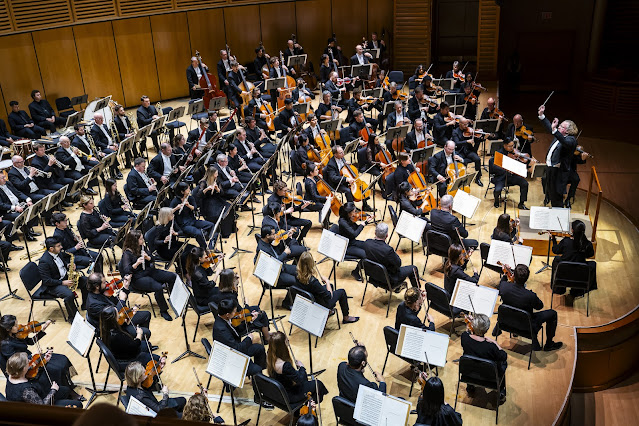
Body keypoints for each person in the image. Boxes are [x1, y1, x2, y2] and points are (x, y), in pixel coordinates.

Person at [0, 315, 80, 400]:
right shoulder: (6, 345)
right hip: (26, 366)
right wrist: (31, 356)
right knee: (55, 369)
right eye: (15, 325)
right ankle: (65, 392)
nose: (18, 326)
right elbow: (15, 362)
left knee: (62, 359)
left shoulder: (17, 333)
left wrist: (42, 330)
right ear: (8, 329)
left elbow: (31, 341)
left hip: (32, 358)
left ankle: (67, 386)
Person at [496, 264, 563, 351]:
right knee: (552, 313)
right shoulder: (530, 296)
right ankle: (549, 344)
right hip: (527, 327)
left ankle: (515, 333)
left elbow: (502, 283)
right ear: (527, 279)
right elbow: (539, 306)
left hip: (506, 323)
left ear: (513, 275)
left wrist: (505, 273)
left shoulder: (504, 287)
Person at [120, 229, 176, 322]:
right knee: (158, 287)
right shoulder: (127, 253)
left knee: (172, 276)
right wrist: (136, 264)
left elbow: (152, 258)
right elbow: (126, 270)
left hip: (148, 271)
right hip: (137, 278)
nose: (143, 241)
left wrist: (147, 257)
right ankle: (163, 311)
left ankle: (173, 299)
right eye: (141, 239)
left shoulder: (141, 246)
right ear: (134, 241)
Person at [267, 330, 329, 404]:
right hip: (290, 395)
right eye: (286, 341)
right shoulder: (285, 366)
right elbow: (300, 380)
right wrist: (302, 367)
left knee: (307, 382)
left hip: (281, 393)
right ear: (282, 346)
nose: (288, 341)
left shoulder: (269, 357)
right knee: (317, 384)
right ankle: (308, 408)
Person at [296, 251, 359, 323]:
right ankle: (346, 317)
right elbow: (329, 296)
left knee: (331, 286)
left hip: (308, 300)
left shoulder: (297, 274)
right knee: (342, 292)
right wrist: (327, 281)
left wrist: (328, 285)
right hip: (318, 303)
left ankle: (329, 311)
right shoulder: (313, 282)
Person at [212, 269, 271, 342]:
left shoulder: (218, 291)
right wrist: (247, 304)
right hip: (237, 325)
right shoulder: (231, 297)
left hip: (230, 319)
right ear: (231, 282)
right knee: (262, 314)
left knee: (256, 307)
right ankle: (267, 338)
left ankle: (265, 331)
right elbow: (242, 312)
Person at [4, 352, 82, 407]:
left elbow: (32, 374)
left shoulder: (12, 373)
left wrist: (45, 362)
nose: (30, 362)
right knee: (78, 404)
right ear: (24, 368)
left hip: (36, 396)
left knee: (65, 390)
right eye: (28, 362)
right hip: (34, 411)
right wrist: (53, 390)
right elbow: (42, 406)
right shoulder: (26, 391)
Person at [213, 298, 267, 377]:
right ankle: (258, 377)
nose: (236, 313)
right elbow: (237, 348)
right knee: (257, 369)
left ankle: (258, 379)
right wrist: (249, 338)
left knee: (260, 348)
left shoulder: (224, 319)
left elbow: (237, 331)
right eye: (234, 311)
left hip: (234, 348)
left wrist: (250, 321)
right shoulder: (221, 330)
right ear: (227, 314)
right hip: (231, 357)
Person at [86, 272, 151, 337]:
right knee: (146, 332)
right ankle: (140, 344)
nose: (106, 283)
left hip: (121, 317)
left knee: (147, 315)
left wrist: (125, 288)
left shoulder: (102, 291)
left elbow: (116, 301)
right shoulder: (93, 304)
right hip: (114, 327)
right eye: (103, 282)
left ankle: (142, 343)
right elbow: (113, 315)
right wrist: (122, 300)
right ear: (97, 286)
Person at [461, 313, 507, 404]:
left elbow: (467, 332)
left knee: (470, 361)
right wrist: (495, 342)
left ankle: (470, 387)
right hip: (490, 378)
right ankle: (501, 392)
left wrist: (470, 324)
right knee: (503, 363)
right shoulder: (491, 347)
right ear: (486, 329)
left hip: (469, 375)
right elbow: (504, 356)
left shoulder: (464, 338)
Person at [538, 105, 578, 207]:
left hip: (558, 173)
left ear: (567, 131)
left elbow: (564, 141)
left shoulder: (571, 140)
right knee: (550, 192)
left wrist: (555, 130)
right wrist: (542, 115)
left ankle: (558, 217)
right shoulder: (559, 135)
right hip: (551, 169)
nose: (558, 127)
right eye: (559, 126)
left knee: (556, 198)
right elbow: (550, 128)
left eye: (561, 127)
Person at [38, 236, 88, 317]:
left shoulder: (58, 253)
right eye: (58, 246)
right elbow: (47, 281)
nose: (61, 247)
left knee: (85, 280)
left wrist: (68, 265)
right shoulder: (44, 262)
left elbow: (61, 264)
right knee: (69, 294)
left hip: (64, 277)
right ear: (51, 248)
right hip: (53, 285)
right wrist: (62, 283)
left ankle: (85, 304)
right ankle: (73, 317)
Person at [364, 222, 420, 288]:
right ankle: (418, 293)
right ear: (387, 235)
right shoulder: (388, 250)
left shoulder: (367, 243)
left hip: (373, 276)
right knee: (413, 268)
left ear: (375, 233)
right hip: (388, 279)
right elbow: (398, 263)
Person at [551, 219, 597, 296]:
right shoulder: (587, 244)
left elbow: (555, 250)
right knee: (592, 264)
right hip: (579, 274)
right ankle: (578, 290)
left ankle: (559, 288)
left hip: (564, 274)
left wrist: (553, 239)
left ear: (572, 230)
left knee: (557, 260)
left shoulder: (566, 241)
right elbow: (590, 254)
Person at [324, 145, 374, 211]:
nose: (343, 154)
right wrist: (346, 179)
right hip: (337, 183)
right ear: (335, 155)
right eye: (340, 153)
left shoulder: (341, 157)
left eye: (342, 152)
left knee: (361, 187)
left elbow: (345, 170)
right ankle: (352, 209)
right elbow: (333, 178)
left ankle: (365, 205)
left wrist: (348, 164)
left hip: (346, 179)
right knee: (348, 190)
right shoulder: (331, 164)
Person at [170, 182, 215, 250]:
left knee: (211, 225)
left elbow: (195, 208)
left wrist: (188, 205)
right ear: (182, 192)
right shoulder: (175, 201)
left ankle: (211, 244)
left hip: (193, 221)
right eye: (187, 189)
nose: (189, 190)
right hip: (183, 225)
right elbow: (168, 213)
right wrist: (176, 208)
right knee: (198, 233)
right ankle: (206, 249)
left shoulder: (190, 198)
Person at [489, 139, 530, 210]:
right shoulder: (498, 154)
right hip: (501, 177)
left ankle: (521, 203)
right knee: (497, 190)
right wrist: (506, 169)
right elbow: (494, 168)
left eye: (513, 146)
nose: (512, 148)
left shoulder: (515, 153)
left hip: (512, 176)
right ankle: (496, 201)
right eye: (510, 146)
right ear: (505, 146)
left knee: (524, 183)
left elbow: (524, 162)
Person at [194, 166, 234, 239]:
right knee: (216, 213)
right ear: (211, 174)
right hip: (207, 202)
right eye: (216, 174)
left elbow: (222, 193)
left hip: (216, 199)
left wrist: (217, 189)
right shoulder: (203, 182)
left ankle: (228, 230)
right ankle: (219, 231)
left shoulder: (217, 180)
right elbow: (198, 195)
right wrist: (206, 189)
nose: (217, 175)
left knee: (229, 207)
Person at [0, 170, 41, 241]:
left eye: (4, 177)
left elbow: (18, 193)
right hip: (6, 212)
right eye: (2, 178)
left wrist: (27, 199)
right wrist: (15, 207)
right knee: (21, 216)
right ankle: (27, 234)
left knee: (32, 209)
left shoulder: (8, 183)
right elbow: (1, 205)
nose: (5, 179)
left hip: (17, 205)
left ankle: (29, 229)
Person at [338, 202, 374, 281]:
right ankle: (355, 271)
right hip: (346, 246)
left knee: (369, 247)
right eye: (354, 212)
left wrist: (366, 221)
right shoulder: (342, 222)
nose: (356, 213)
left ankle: (370, 268)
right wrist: (363, 224)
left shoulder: (348, 218)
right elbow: (354, 233)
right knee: (365, 255)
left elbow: (355, 228)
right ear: (349, 213)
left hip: (351, 242)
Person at [255, 225, 298, 290]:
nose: (275, 235)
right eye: (273, 234)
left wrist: (287, 238)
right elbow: (274, 264)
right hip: (273, 275)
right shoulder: (262, 250)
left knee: (299, 270)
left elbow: (279, 250)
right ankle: (289, 299)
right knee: (295, 281)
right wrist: (285, 253)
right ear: (267, 236)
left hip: (280, 267)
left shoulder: (267, 241)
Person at [443, 244, 478, 315]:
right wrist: (476, 274)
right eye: (462, 254)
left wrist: (467, 259)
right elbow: (473, 281)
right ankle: (466, 314)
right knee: (474, 289)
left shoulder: (448, 263)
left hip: (449, 292)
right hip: (454, 298)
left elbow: (460, 269)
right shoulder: (456, 271)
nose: (463, 254)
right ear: (459, 256)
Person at [452, 118, 483, 187]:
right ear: (460, 124)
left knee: (477, 159)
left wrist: (479, 139)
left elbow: (476, 140)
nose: (466, 126)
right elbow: (456, 143)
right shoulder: (455, 132)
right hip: (459, 151)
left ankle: (478, 178)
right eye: (464, 124)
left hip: (468, 151)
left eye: (467, 124)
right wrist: (466, 141)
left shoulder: (469, 130)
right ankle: (463, 179)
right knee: (463, 162)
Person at [90, 112, 121, 179]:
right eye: (100, 119)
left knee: (120, 145)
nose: (102, 120)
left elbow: (109, 136)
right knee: (112, 153)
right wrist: (109, 147)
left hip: (110, 144)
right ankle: (113, 172)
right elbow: (97, 142)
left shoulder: (104, 125)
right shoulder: (94, 130)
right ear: (95, 119)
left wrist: (113, 143)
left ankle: (117, 169)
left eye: (102, 118)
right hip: (103, 148)